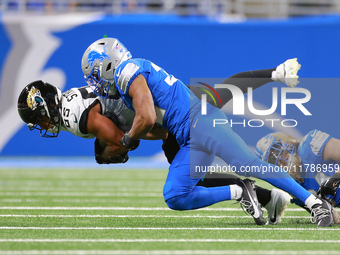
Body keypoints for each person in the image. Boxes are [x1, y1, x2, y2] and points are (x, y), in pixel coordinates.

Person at [80, 37, 334, 227]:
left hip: (201, 120)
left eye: (94, 74)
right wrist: (134, 135)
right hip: (189, 137)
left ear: (108, 64)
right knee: (174, 195)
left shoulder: (127, 72)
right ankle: (239, 191)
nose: (96, 82)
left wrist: (127, 138)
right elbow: (155, 125)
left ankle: (315, 205)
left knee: (249, 164)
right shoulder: (129, 80)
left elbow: (145, 117)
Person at [18, 55, 298, 225]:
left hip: (172, 112)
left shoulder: (75, 115)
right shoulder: (72, 104)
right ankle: (271, 196)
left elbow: (126, 140)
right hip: (168, 112)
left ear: (49, 106)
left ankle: (286, 196)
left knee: (192, 179)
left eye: (39, 118)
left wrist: (111, 151)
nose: (42, 125)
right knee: (221, 95)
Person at [255, 130, 340, 222]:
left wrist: (335, 179)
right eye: (273, 159)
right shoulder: (290, 185)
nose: (281, 158)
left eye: (279, 151)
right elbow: (327, 213)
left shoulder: (309, 147)